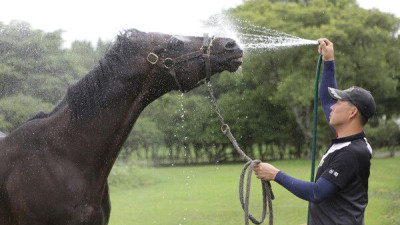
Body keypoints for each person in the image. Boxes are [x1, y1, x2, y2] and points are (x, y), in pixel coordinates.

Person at [253, 38, 376, 225]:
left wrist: (276, 174)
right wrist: (329, 61)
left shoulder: (352, 152)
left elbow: (316, 192)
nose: (332, 107)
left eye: (340, 103)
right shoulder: (345, 139)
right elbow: (327, 99)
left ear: (352, 112)